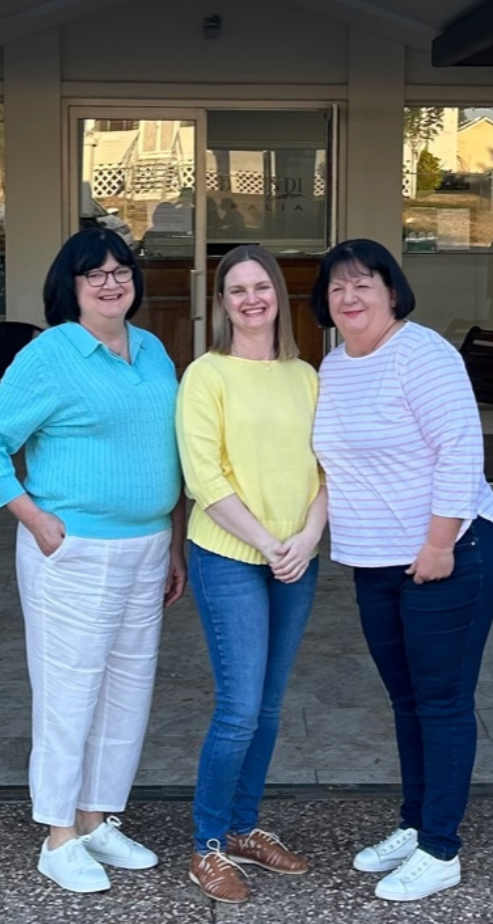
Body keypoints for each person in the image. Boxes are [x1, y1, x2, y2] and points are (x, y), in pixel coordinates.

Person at [0, 226, 188, 894]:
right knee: (69, 690)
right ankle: (58, 835)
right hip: (75, 550)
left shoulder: (151, 350)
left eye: (121, 271)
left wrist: (174, 542)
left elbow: (167, 452)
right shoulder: (50, 354)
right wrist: (34, 518)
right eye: (95, 274)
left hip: (147, 546)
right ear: (72, 286)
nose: (111, 283)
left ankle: (96, 818)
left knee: (127, 691)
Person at [308, 238, 493, 902]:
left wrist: (439, 542)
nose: (350, 297)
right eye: (337, 287)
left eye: (363, 283)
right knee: (407, 700)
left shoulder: (422, 354)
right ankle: (417, 823)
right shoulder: (334, 365)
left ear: (392, 292)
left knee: (442, 701)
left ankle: (441, 848)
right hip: (375, 561)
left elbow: (460, 448)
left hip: (449, 553)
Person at [175, 245, 326, 904]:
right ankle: (207, 845)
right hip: (230, 555)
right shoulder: (205, 375)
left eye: (261, 286)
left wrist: (308, 537)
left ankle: (242, 828)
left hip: (296, 557)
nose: (250, 299)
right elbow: (204, 478)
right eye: (236, 290)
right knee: (237, 710)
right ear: (222, 302)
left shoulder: (305, 375)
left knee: (267, 707)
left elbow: (330, 466)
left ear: (278, 295)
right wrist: (268, 542)